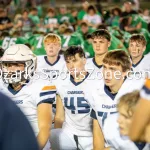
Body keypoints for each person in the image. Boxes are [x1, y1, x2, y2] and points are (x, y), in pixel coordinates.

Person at [85, 50, 145, 148]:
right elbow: (98, 131)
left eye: (113, 69)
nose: (107, 73)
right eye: (105, 67)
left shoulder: (137, 90)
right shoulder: (95, 90)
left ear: (125, 72)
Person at [0, 44, 52, 150]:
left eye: (17, 64)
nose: (12, 69)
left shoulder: (41, 86)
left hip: (33, 141)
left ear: (30, 65)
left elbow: (44, 129)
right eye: (8, 65)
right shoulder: (1, 85)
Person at [49, 46, 102, 150]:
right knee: (51, 135)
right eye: (68, 62)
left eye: (75, 61)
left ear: (84, 60)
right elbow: (59, 116)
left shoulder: (97, 82)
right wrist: (56, 143)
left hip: (92, 135)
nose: (71, 66)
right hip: (70, 133)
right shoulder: (61, 83)